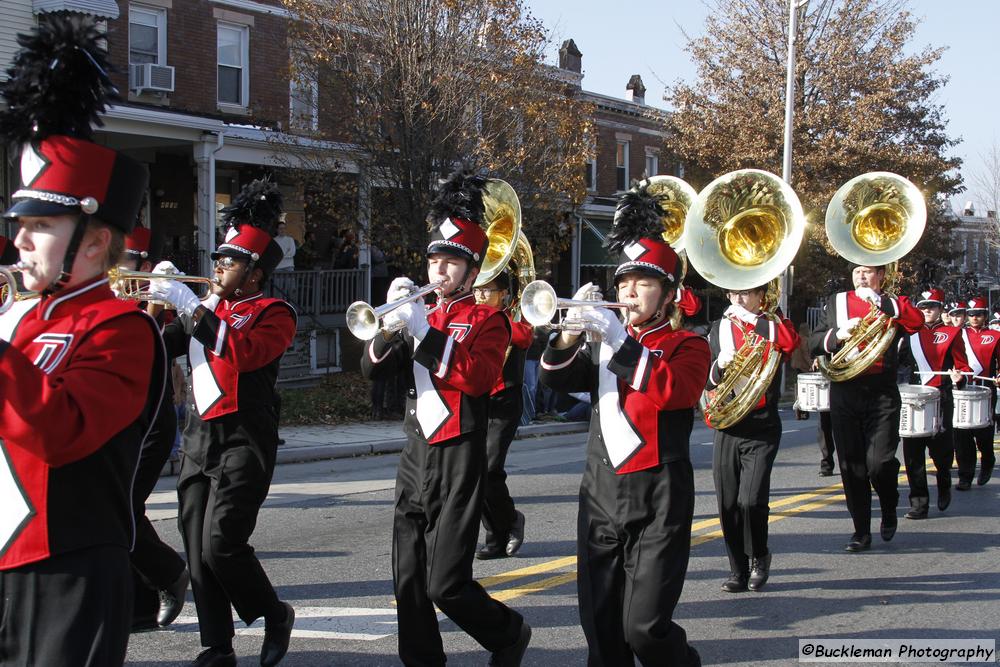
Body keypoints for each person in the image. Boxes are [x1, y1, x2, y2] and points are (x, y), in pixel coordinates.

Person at [0, 14, 165, 665]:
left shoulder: (123, 330)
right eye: (20, 223)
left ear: (94, 242)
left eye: (38, 224)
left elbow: (56, 430)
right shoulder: (25, 318)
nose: (18, 239)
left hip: (70, 569)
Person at [360, 171, 530, 666]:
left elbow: (477, 378)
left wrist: (424, 333)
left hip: (459, 450)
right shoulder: (418, 310)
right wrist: (388, 328)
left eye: (451, 261)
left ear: (472, 269)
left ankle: (507, 632)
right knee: (407, 579)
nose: (440, 270)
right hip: (416, 452)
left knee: (445, 583)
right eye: (435, 260)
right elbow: (371, 370)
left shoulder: (488, 320)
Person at [540, 181, 708, 666]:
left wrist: (618, 338)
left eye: (644, 283)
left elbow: (676, 391)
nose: (630, 292)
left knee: (645, 628)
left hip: (660, 491)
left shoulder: (688, 345)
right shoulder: (602, 339)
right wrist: (571, 335)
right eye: (623, 283)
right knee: (600, 625)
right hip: (601, 487)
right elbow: (556, 381)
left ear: (669, 293)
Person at [155, 179, 297, 667]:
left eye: (230, 261)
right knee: (196, 549)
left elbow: (243, 354)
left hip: (245, 438)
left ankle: (274, 613)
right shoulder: (208, 309)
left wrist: (194, 307)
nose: (217, 268)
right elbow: (158, 347)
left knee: (222, 543)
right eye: (218, 258)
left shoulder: (274, 313)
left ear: (255, 273)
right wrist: (154, 305)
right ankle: (218, 646)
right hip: (199, 437)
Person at [809, 264, 922, 552]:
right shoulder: (836, 302)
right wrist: (836, 336)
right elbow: (813, 342)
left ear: (882, 276)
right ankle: (861, 530)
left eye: (868, 271)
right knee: (851, 465)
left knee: (880, 463)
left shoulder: (893, 302)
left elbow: (917, 322)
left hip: (881, 392)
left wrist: (883, 303)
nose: (861, 277)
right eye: (857, 271)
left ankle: (888, 503)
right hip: (845, 391)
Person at [117, 226, 190, 631]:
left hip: (150, 422)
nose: (115, 269)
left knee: (121, 505)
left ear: (144, 265)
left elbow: (153, 348)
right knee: (118, 507)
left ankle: (168, 573)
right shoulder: (108, 296)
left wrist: (161, 304)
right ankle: (140, 598)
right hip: (115, 418)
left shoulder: (159, 298)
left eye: (124, 261)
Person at [706, 285, 800, 593]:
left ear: (762, 296)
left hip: (761, 425)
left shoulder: (774, 324)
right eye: (734, 294)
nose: (738, 299)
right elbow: (706, 380)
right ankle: (737, 569)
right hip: (729, 426)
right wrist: (718, 367)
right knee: (728, 504)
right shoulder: (719, 328)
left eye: (746, 293)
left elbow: (790, 342)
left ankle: (760, 555)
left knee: (752, 501)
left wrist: (749, 317)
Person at [473, 270, 531, 560]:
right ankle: (497, 533)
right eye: (478, 290)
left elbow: (523, 335)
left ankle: (509, 522)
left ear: (505, 294)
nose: (481, 296)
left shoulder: (515, 319)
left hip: (505, 399)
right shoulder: (473, 319)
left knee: (490, 469)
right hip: (477, 399)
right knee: (473, 470)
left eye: (488, 290)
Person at [897, 288, 967, 519]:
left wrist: (960, 377)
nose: (927, 310)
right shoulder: (909, 333)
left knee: (942, 452)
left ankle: (944, 480)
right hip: (915, 397)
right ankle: (919, 503)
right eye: (923, 307)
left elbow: (963, 366)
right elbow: (900, 363)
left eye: (932, 306)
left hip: (941, 397)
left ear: (940, 309)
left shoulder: (952, 332)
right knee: (912, 453)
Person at [955, 296, 998, 489]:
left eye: (978, 314)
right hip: (963, 389)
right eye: (971, 314)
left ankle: (988, 461)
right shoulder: (957, 335)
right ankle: (965, 476)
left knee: (983, 434)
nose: (974, 318)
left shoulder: (996, 336)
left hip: (986, 389)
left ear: (985, 315)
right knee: (962, 434)